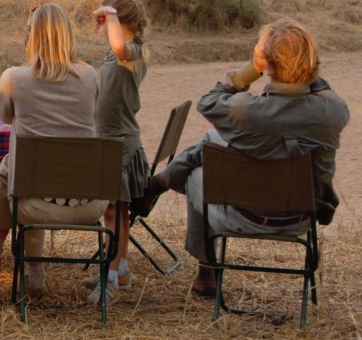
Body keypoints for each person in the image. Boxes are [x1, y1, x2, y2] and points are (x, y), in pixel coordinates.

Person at [143, 18, 350, 297]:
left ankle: (207, 270)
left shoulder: (244, 110)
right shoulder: (334, 111)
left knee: (200, 164)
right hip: (302, 216)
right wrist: (302, 68)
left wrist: (252, 69)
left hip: (241, 216)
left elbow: (208, 100)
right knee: (211, 142)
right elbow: (319, 91)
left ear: (268, 63)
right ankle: (158, 185)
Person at [0, 3, 106, 298]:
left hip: (34, 202)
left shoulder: (14, 78)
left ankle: (5, 253)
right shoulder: (91, 75)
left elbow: (5, 119)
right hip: (91, 203)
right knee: (16, 167)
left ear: (31, 37)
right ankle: (10, 259)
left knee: (15, 169)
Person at [81, 0, 150, 304]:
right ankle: (119, 268)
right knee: (115, 210)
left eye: (108, 20)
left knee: (113, 210)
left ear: (119, 21)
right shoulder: (115, 53)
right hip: (110, 140)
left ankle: (112, 277)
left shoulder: (131, 50)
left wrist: (109, 15)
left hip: (119, 143)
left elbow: (120, 45)